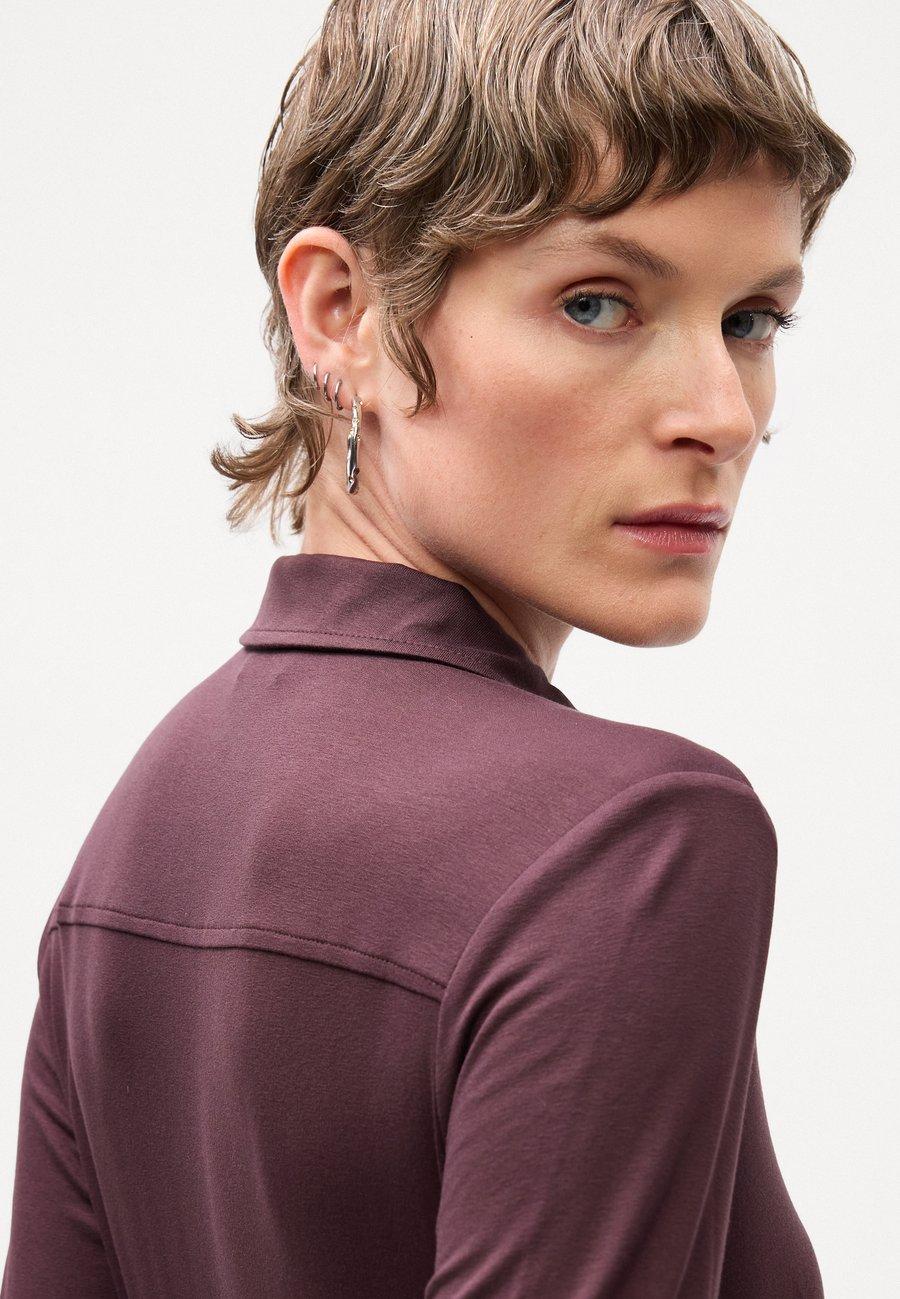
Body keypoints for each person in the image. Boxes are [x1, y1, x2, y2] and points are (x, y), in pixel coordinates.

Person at [2, 1, 853, 1295]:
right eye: (598, 303)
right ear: (342, 310)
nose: (723, 415)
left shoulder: (139, 835)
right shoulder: (632, 843)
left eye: (751, 320)